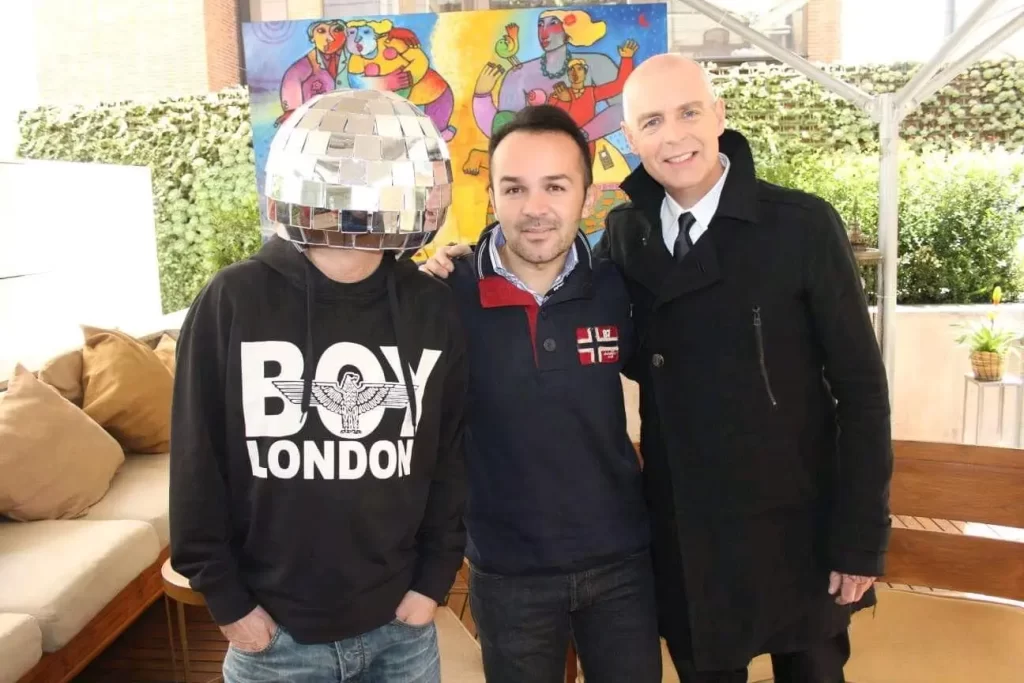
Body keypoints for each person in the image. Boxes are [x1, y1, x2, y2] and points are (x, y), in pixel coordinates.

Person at [427, 55, 894, 683]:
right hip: (683, 536)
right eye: (652, 120)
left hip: (794, 529)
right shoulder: (626, 238)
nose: (673, 135)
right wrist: (450, 261)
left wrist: (860, 535)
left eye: (689, 112)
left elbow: (862, 392)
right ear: (633, 138)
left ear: (720, 116)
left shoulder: (801, 227)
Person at [169, 90, 468, 683]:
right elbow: (197, 461)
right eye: (341, 170)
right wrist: (231, 608)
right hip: (272, 639)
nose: (357, 190)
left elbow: (449, 456)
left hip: (399, 632)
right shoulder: (233, 300)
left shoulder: (432, 308)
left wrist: (433, 583)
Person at [420, 104, 662, 683]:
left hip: (622, 560)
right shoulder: (446, 295)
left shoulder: (617, 287)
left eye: (555, 186)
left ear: (585, 194)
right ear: (493, 196)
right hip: (508, 569)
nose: (534, 208)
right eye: (515, 188)